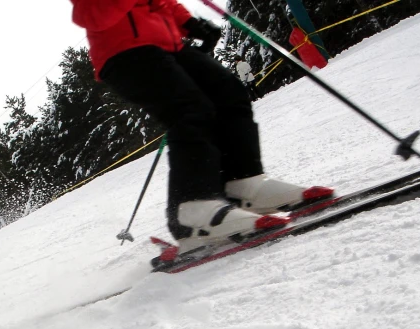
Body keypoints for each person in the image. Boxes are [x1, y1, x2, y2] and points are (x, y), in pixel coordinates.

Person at [70, 0, 329, 253]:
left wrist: (188, 23)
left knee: (229, 92)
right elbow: (91, 15)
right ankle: (192, 209)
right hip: (123, 52)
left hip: (167, 43)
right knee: (190, 110)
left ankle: (244, 185)